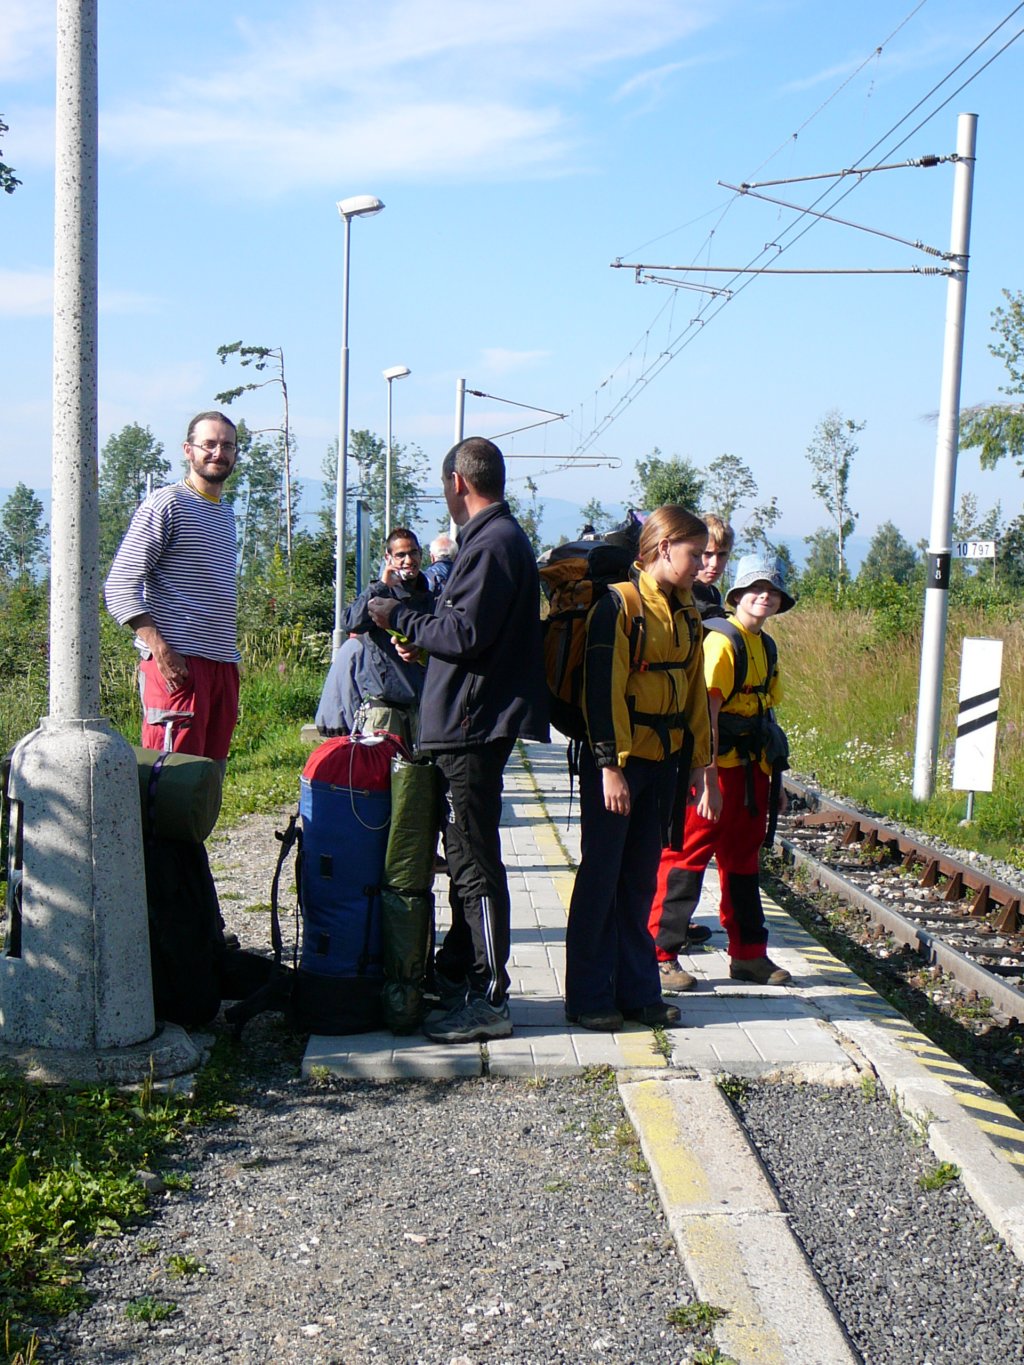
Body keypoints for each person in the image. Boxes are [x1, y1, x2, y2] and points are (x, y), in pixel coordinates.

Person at [368, 437, 548, 1044]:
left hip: (472, 727)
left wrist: (398, 616)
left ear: (456, 483)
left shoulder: (493, 543)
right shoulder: (491, 542)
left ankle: (491, 996)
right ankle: (459, 974)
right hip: (464, 720)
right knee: (466, 859)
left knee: (473, 863)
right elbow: (469, 634)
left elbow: (466, 631)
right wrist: (425, 639)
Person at [563, 505, 712, 1032]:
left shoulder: (689, 610)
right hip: (619, 768)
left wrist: (699, 764)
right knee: (601, 878)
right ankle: (586, 995)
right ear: (664, 547)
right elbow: (601, 691)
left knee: (639, 880)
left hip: (664, 763)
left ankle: (637, 991)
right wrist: (609, 767)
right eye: (696, 554)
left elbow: (694, 689)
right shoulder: (618, 606)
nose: (702, 564)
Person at [649, 552, 795, 989]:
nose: (763, 597)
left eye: (770, 590)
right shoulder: (722, 643)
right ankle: (658, 955)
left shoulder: (765, 645)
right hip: (714, 775)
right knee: (685, 861)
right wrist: (708, 780)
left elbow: (764, 713)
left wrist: (776, 782)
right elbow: (707, 717)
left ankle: (749, 956)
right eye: (755, 589)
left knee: (744, 865)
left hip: (752, 774)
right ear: (737, 595)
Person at [105, 410, 240, 768]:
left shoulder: (226, 515)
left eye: (227, 445)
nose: (218, 453)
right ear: (188, 450)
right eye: (208, 444)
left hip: (221, 667)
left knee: (207, 784)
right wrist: (160, 649)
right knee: (170, 783)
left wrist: (228, 665)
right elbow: (119, 586)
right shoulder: (167, 504)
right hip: (178, 668)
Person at [337, 527, 435, 750]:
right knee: (379, 779)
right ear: (388, 558)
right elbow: (351, 622)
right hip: (384, 709)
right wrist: (382, 586)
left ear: (421, 554)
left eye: (413, 553)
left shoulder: (430, 600)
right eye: (401, 555)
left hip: (422, 706)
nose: (408, 560)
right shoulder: (380, 595)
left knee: (420, 781)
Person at [692, 514, 734, 620]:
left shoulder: (715, 594)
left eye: (722, 554)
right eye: (707, 554)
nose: (714, 563)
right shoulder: (681, 594)